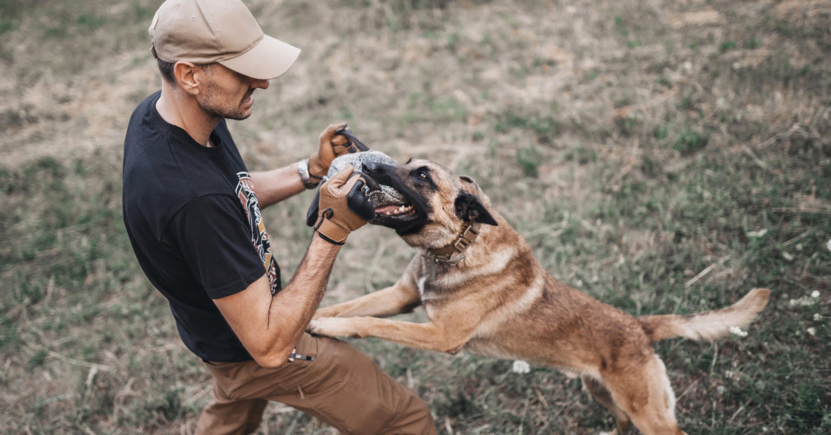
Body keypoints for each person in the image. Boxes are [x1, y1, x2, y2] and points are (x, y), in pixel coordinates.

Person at [121, 1, 436, 434]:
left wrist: (308, 170)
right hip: (253, 345)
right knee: (404, 420)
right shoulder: (192, 199)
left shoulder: (165, 116)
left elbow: (232, 194)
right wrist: (334, 226)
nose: (264, 82)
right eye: (243, 71)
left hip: (214, 332)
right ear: (190, 75)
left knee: (235, 402)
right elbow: (268, 347)